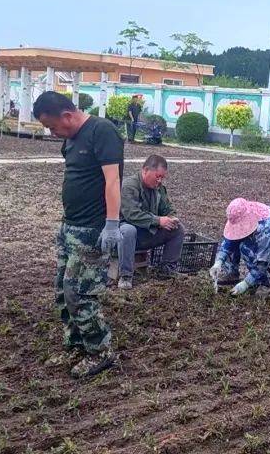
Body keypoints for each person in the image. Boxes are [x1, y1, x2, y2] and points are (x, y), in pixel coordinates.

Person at [33, 90, 124, 378]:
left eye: (52, 126)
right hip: (69, 226)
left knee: (79, 293)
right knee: (62, 290)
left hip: (92, 229)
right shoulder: (70, 140)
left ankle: (100, 350)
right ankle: (75, 344)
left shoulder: (102, 131)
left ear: (67, 115)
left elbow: (113, 180)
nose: (52, 133)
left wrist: (111, 223)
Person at [117, 155, 185, 288]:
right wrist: (158, 220)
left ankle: (167, 269)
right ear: (145, 170)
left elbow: (167, 208)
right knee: (128, 230)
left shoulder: (158, 188)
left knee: (178, 229)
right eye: (157, 176)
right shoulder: (129, 186)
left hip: (147, 233)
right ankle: (125, 276)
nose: (159, 180)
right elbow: (131, 214)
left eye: (162, 177)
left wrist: (172, 218)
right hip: (126, 235)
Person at [209, 198, 270, 297]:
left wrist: (246, 283)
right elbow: (230, 240)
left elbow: (262, 261)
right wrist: (218, 261)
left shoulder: (264, 227)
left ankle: (265, 282)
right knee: (236, 238)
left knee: (246, 248)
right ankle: (232, 272)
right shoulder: (239, 213)